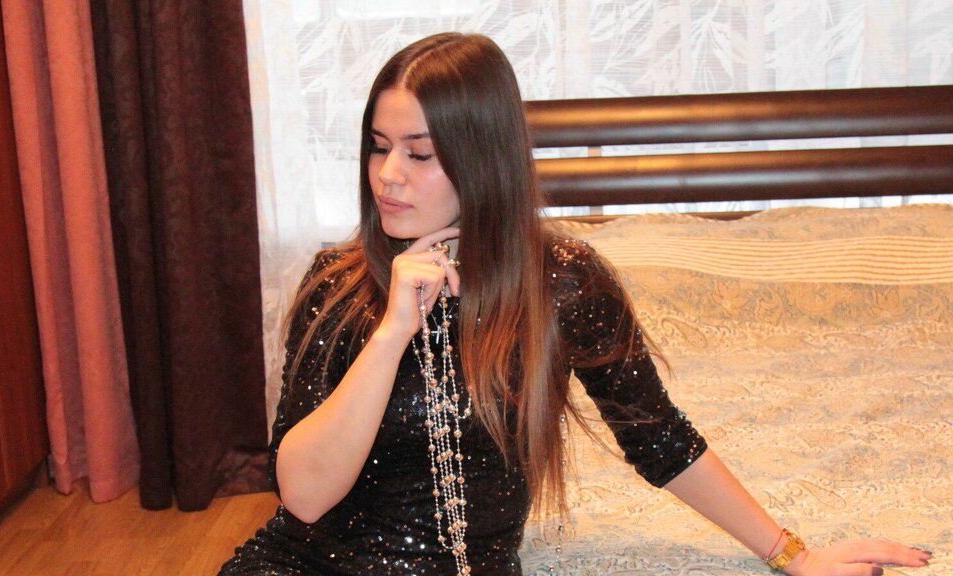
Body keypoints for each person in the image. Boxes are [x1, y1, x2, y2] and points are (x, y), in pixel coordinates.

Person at [220, 32, 931, 575]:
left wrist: (793, 555)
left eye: (419, 153)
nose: (388, 176)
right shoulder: (338, 284)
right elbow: (302, 496)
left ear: (483, 158)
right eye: (378, 148)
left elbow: (660, 440)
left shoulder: (562, 284)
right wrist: (391, 333)